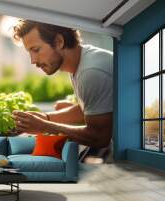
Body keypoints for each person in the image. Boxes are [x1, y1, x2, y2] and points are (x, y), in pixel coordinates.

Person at [11, 20, 113, 163]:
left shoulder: (91, 72)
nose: (33, 60)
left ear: (59, 42)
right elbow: (95, 109)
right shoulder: (83, 60)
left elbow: (99, 136)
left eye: (36, 50)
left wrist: (44, 126)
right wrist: (46, 117)